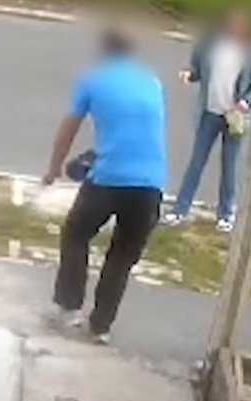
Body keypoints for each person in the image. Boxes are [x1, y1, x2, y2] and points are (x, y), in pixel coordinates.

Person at [42, 28, 166, 344]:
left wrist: (54, 168)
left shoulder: (93, 79)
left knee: (76, 234)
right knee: (122, 256)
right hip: (150, 184)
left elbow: (68, 129)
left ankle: (69, 308)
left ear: (104, 52)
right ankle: (100, 327)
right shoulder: (152, 82)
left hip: (109, 179)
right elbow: (134, 133)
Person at [162, 8, 251, 233]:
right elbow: (197, 67)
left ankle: (226, 213)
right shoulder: (210, 43)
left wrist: (246, 102)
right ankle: (180, 209)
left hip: (234, 117)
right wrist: (189, 74)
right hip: (209, 112)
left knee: (230, 166)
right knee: (196, 162)